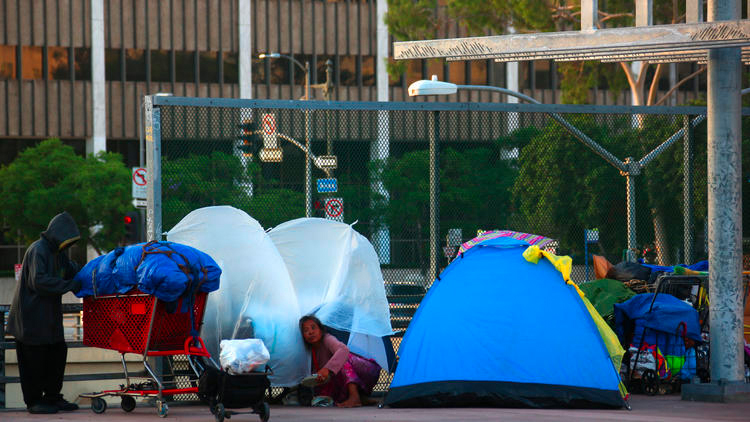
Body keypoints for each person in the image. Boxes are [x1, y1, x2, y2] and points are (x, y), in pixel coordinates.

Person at [7, 211, 83, 414]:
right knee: (34, 361)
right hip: (31, 318)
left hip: (48, 320)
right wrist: (69, 284)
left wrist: (83, 275)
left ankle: (52, 396)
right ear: (59, 235)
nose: (68, 246)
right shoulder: (38, 250)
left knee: (57, 354)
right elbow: (38, 281)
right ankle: (33, 401)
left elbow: (71, 269)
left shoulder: (58, 254)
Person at [299, 315, 381, 408]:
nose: (310, 332)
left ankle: (355, 397)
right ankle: (361, 397)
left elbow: (343, 350)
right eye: (306, 330)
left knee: (343, 359)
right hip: (340, 381)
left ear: (321, 330)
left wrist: (326, 369)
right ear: (303, 337)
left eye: (313, 327)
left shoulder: (327, 338)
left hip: (368, 371)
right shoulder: (308, 351)